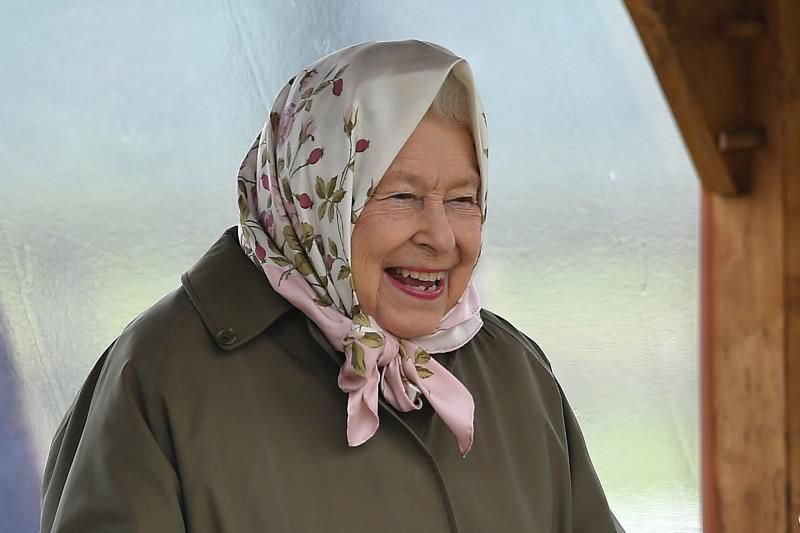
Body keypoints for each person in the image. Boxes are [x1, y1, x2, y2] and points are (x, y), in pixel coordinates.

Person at [41, 40, 624, 532]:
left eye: (461, 199)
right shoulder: (162, 377)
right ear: (312, 199)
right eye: (402, 196)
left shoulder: (516, 376)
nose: (441, 237)